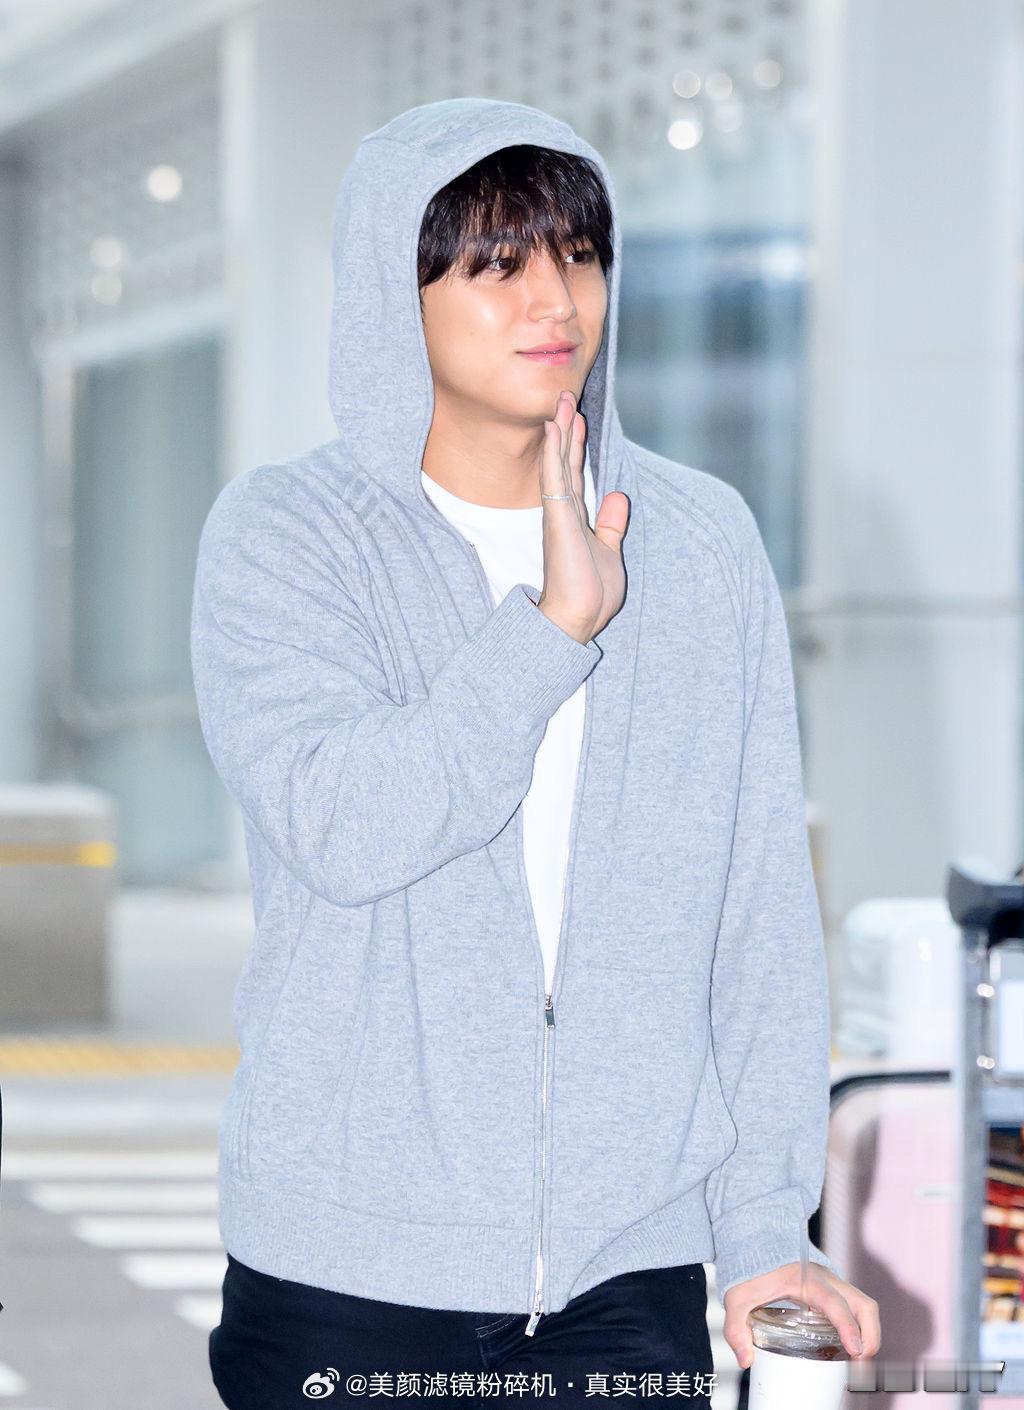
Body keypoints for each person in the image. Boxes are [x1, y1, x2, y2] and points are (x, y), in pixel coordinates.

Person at [191, 97, 880, 1408]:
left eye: (580, 253)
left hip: (626, 1281)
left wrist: (762, 1224)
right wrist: (555, 626)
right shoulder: (289, 536)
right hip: (348, 1269)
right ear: (394, 291)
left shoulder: (703, 542)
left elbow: (757, 916)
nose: (555, 299)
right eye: (497, 263)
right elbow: (346, 825)